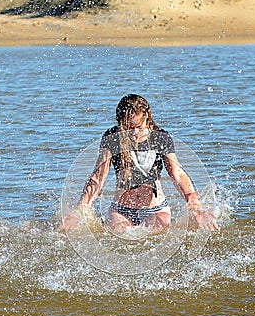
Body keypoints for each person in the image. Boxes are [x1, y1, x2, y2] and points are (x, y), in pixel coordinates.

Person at [63, 94, 218, 233]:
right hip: (120, 210)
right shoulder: (112, 137)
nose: (135, 133)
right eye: (129, 128)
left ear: (147, 117)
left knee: (155, 234)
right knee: (121, 236)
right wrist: (79, 211)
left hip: (155, 209)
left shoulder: (160, 138)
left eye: (139, 127)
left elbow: (178, 175)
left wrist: (195, 207)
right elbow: (98, 177)